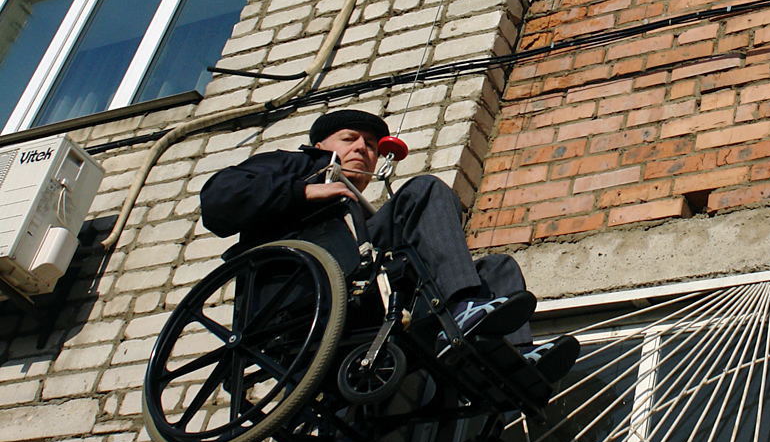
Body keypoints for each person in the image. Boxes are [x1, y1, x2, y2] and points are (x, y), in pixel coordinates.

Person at [200, 109, 575, 385]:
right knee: (424, 190)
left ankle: (517, 360)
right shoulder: (292, 166)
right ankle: (461, 310)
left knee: (498, 267)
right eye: (350, 140)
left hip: (366, 290)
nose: (363, 149)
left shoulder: (362, 216)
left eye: (371, 147)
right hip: (303, 289)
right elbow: (217, 201)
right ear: (320, 146)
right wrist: (303, 189)